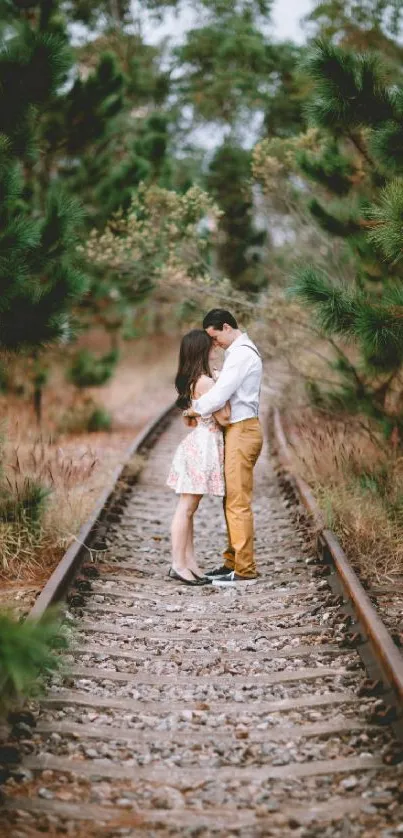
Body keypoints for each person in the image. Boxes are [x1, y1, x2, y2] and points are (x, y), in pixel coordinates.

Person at [185, 309, 263, 585]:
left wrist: (194, 409)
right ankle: (233, 562)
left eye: (214, 336)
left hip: (243, 431)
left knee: (237, 502)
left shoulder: (241, 354)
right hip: (238, 431)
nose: (213, 343)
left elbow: (220, 395)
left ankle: (244, 569)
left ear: (226, 327)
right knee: (230, 499)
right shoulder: (237, 353)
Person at [166, 329, 231, 586]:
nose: (214, 348)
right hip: (203, 446)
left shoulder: (199, 379)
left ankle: (189, 562)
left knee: (189, 509)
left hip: (200, 443)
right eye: (210, 345)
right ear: (202, 351)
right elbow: (224, 417)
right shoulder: (205, 381)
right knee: (186, 508)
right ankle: (178, 564)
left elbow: (192, 417)